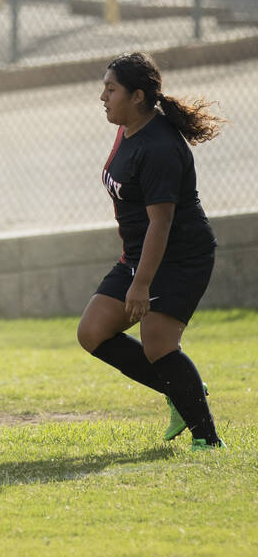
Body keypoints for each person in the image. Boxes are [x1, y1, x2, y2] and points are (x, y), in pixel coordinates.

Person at [76, 52, 224, 449]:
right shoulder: (127, 127)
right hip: (141, 254)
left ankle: (207, 440)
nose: (103, 97)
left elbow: (162, 223)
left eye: (111, 89)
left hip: (180, 257)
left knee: (159, 344)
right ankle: (182, 389)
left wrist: (140, 285)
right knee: (92, 332)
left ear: (137, 96)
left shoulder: (159, 147)